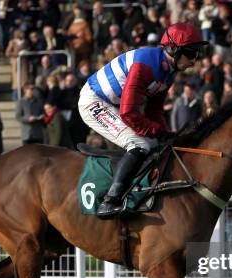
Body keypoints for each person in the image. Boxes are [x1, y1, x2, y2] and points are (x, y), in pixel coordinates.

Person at [78, 22, 207, 218]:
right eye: (191, 53)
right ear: (173, 49)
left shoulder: (168, 73)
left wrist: (166, 135)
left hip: (114, 104)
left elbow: (154, 111)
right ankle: (110, 200)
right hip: (94, 101)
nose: (194, 60)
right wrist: (157, 131)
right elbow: (129, 113)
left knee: (155, 144)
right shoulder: (146, 65)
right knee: (139, 144)